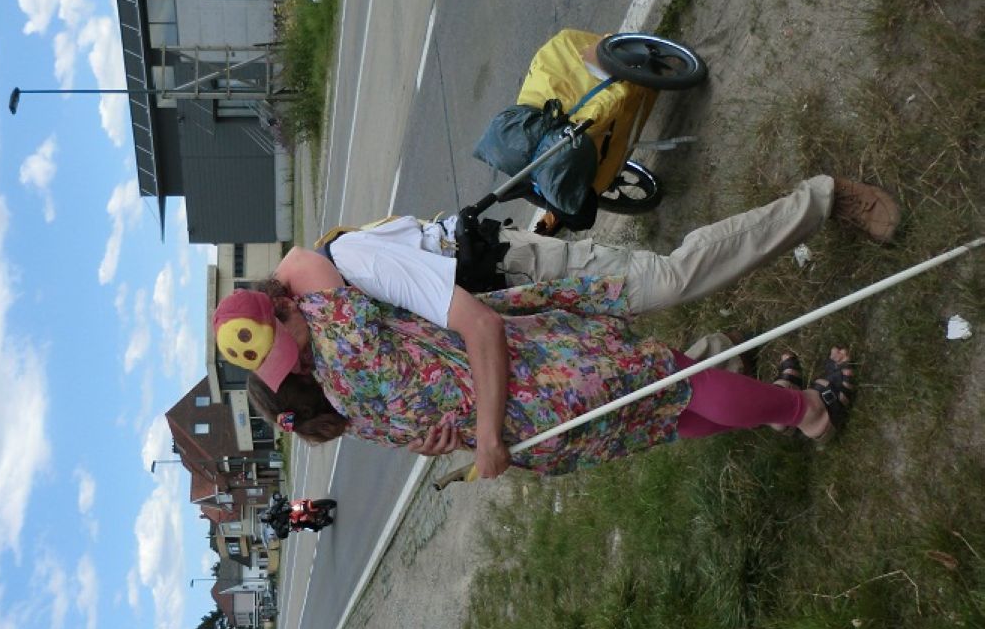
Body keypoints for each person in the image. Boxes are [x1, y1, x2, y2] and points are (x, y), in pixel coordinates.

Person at [272, 175, 894, 455]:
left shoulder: (347, 263)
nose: (312, 352)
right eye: (303, 364)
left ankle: (826, 200)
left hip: (523, 277)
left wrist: (476, 436)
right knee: (660, 395)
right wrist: (448, 436)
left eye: (297, 344)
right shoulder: (340, 349)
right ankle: (770, 401)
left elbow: (468, 324)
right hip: (520, 337)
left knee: (671, 283)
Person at [213, 271, 857, 480]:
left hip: (541, 440)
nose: (297, 350)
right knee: (677, 379)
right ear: (289, 304)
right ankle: (807, 410)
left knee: (661, 419)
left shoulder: (355, 412)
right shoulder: (345, 337)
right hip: (543, 378)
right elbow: (303, 259)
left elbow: (433, 434)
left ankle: (776, 408)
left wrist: (467, 442)